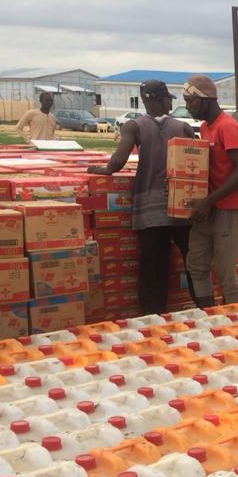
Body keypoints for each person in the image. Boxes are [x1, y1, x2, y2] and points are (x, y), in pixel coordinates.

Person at [86, 80, 197, 313]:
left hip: (149, 211)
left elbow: (117, 162)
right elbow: (198, 160)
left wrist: (103, 171)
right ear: (156, 98)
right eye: (168, 98)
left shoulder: (134, 127)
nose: (170, 102)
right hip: (182, 208)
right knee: (193, 263)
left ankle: (152, 314)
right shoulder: (183, 128)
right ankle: (201, 308)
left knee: (153, 266)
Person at [181, 74, 238, 308]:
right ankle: (208, 316)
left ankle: (231, 322)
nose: (187, 107)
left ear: (205, 100)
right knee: (197, 265)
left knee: (225, 273)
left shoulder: (228, 127)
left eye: (190, 101)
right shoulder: (205, 127)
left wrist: (209, 201)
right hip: (208, 208)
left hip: (230, 209)